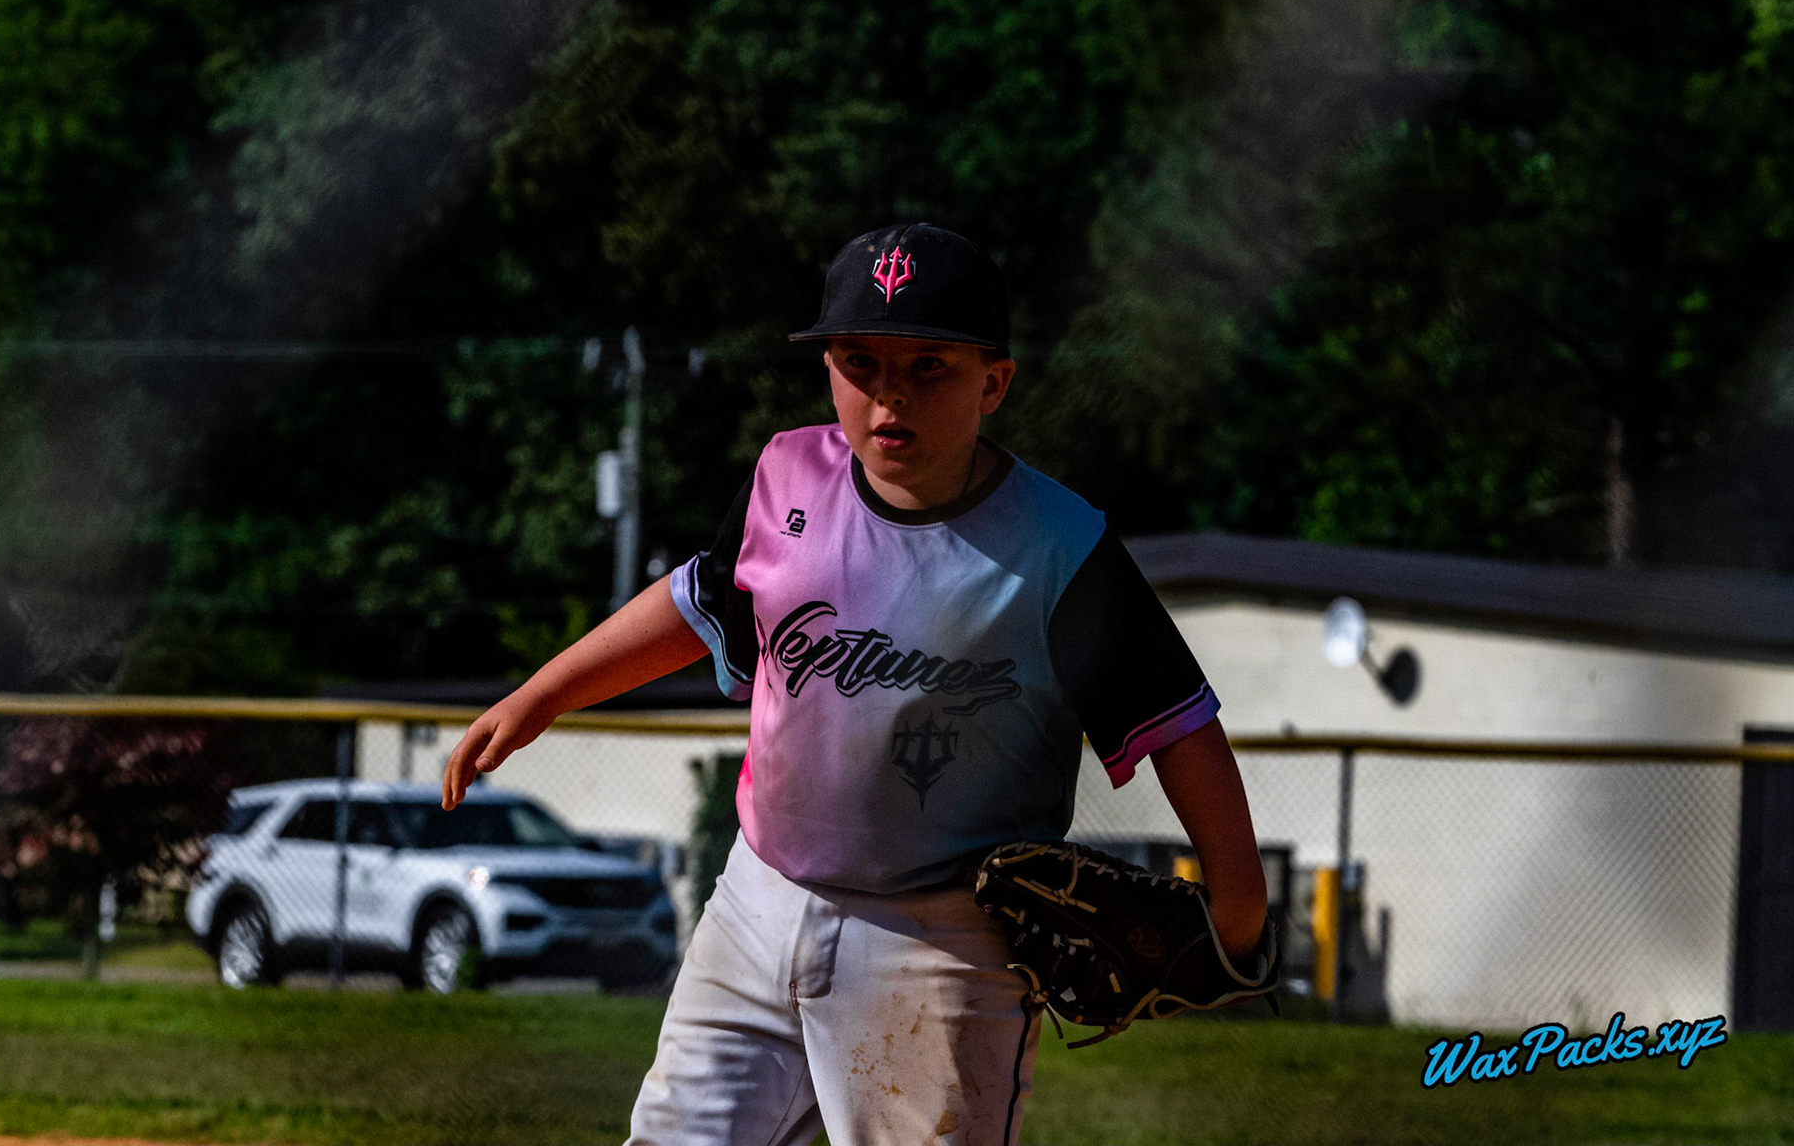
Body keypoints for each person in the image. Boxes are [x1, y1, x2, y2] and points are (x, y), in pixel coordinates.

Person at [443, 223, 1268, 1146]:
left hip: (938, 947)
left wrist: (1238, 912)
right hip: (755, 903)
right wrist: (540, 697)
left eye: (929, 365)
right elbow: (696, 602)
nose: (889, 394)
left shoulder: (1058, 549)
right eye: (860, 361)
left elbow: (1176, 725)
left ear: (994, 381)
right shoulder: (785, 476)